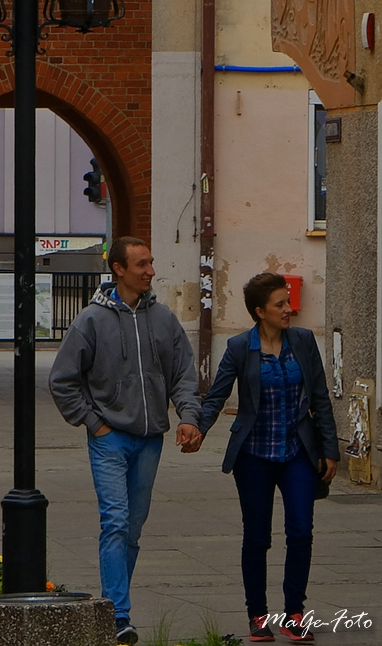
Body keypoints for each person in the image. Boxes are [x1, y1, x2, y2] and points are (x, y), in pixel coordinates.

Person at [49, 236, 202, 646]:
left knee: (132, 530)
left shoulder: (164, 319)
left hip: (150, 440)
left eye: (151, 263)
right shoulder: (91, 321)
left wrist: (189, 416)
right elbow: (62, 381)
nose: (150, 270)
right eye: (141, 264)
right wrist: (94, 424)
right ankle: (118, 614)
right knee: (115, 523)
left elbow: (184, 374)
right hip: (110, 439)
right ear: (119, 268)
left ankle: (114, 605)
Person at [192, 273, 339, 644]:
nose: (288, 309)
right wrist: (196, 427)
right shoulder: (240, 347)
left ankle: (294, 613)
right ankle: (258, 615)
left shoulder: (303, 342)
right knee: (257, 537)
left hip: (298, 454)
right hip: (254, 455)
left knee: (301, 531)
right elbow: (217, 395)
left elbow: (320, 397)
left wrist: (330, 451)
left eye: (287, 302)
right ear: (260, 311)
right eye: (279, 304)